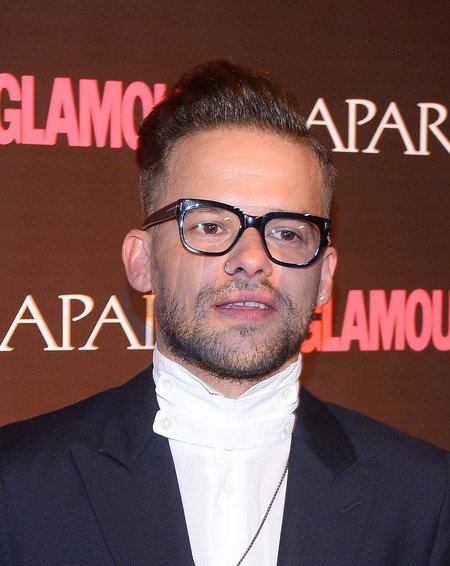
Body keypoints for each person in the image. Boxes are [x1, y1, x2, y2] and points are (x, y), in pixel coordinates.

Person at [0, 60, 448, 566]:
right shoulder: (15, 487)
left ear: (324, 277)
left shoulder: (426, 499)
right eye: (210, 226)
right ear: (142, 262)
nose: (252, 259)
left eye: (286, 232)